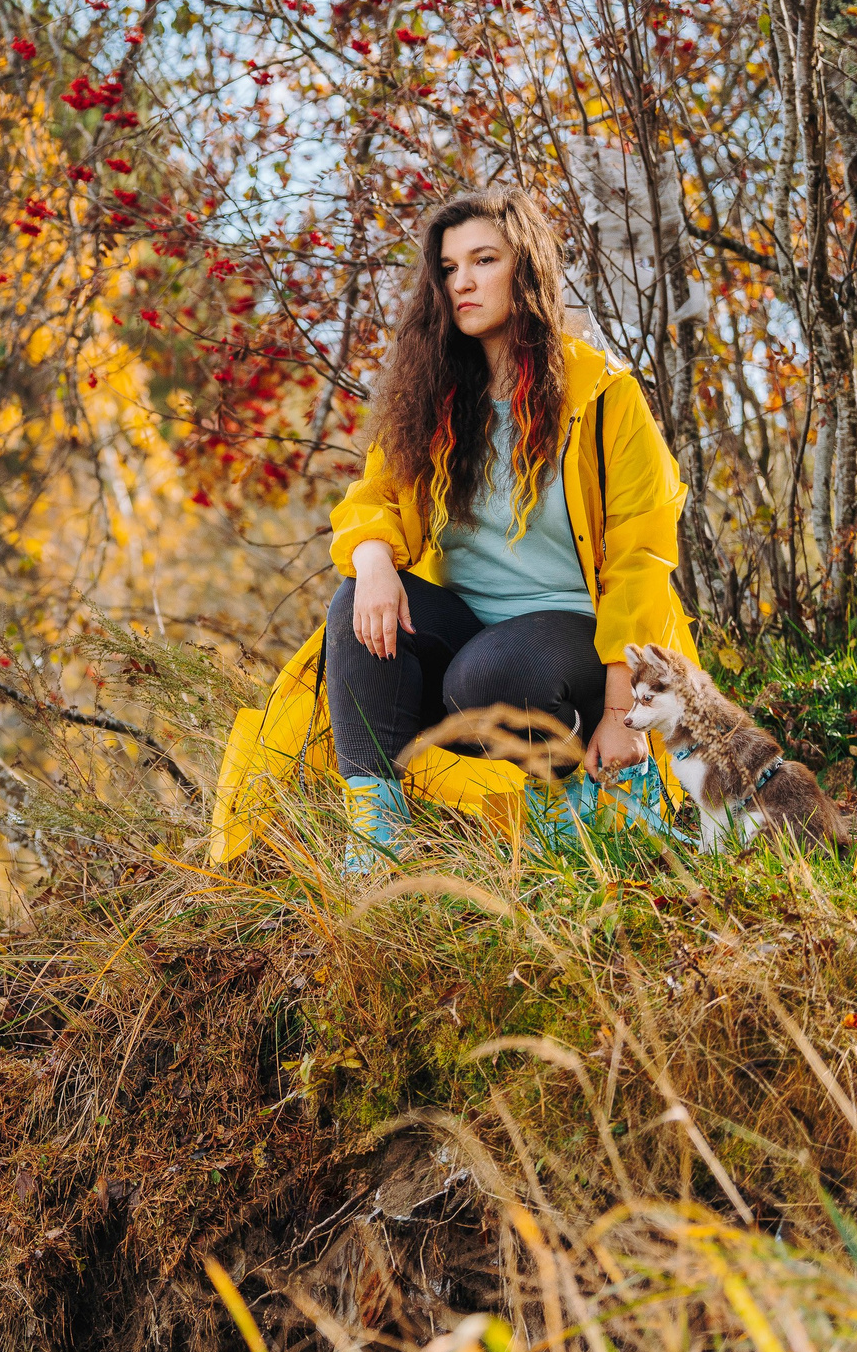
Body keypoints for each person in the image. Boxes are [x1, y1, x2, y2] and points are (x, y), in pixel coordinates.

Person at [215, 185, 704, 863]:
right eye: (448, 269)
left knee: (484, 678)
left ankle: (576, 813)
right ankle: (377, 847)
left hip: (584, 641)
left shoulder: (604, 396)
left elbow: (641, 560)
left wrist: (625, 714)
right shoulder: (434, 400)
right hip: (468, 635)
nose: (463, 283)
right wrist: (377, 563)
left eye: (483, 261)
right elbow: (370, 501)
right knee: (358, 603)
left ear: (525, 271)